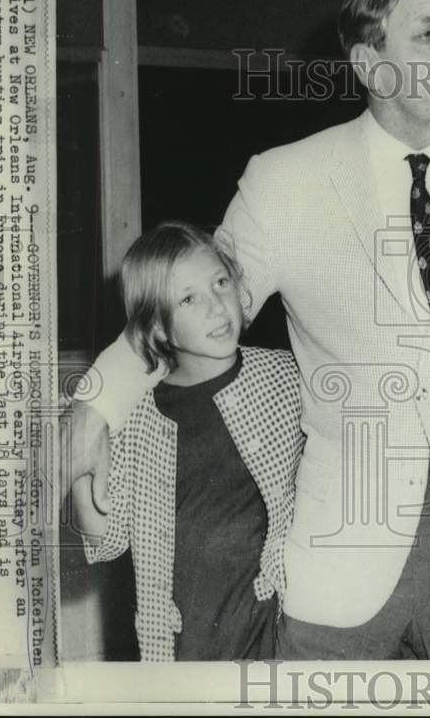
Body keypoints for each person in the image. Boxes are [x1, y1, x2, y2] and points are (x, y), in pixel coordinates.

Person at [67, 0, 430, 659]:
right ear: (371, 65)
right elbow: (187, 302)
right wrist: (95, 405)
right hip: (338, 560)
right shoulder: (285, 182)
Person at [67, 222, 305, 661]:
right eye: (189, 299)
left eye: (221, 282)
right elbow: (108, 537)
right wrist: (79, 466)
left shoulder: (288, 378)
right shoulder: (136, 416)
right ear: (159, 328)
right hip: (184, 637)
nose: (217, 306)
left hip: (275, 625)